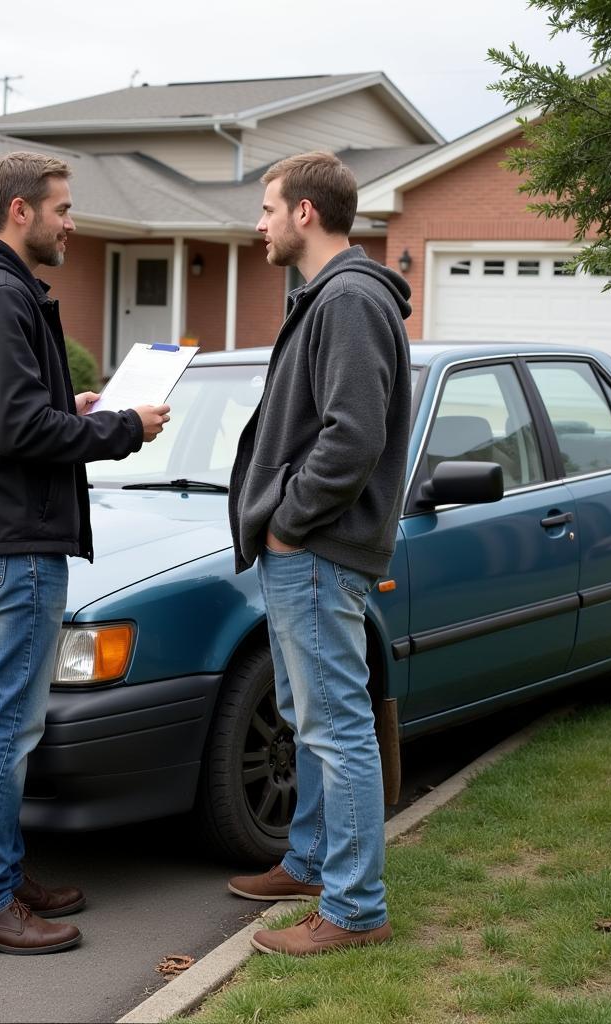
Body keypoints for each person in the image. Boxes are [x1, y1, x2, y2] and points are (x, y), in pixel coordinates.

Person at [0, 151, 169, 955]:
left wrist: (70, 407)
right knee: (8, 729)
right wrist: (124, 427)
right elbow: (18, 432)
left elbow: (9, 414)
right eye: (63, 208)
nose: (73, 222)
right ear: (21, 212)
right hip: (15, 542)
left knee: (3, 724)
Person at [226, 151, 411, 956]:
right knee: (309, 718)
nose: (258, 225)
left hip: (316, 547)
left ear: (305, 212)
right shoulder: (328, 298)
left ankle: (356, 911)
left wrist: (289, 523)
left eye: (267, 209)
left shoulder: (348, 301)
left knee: (336, 726)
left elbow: (354, 436)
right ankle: (307, 862)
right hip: (305, 548)